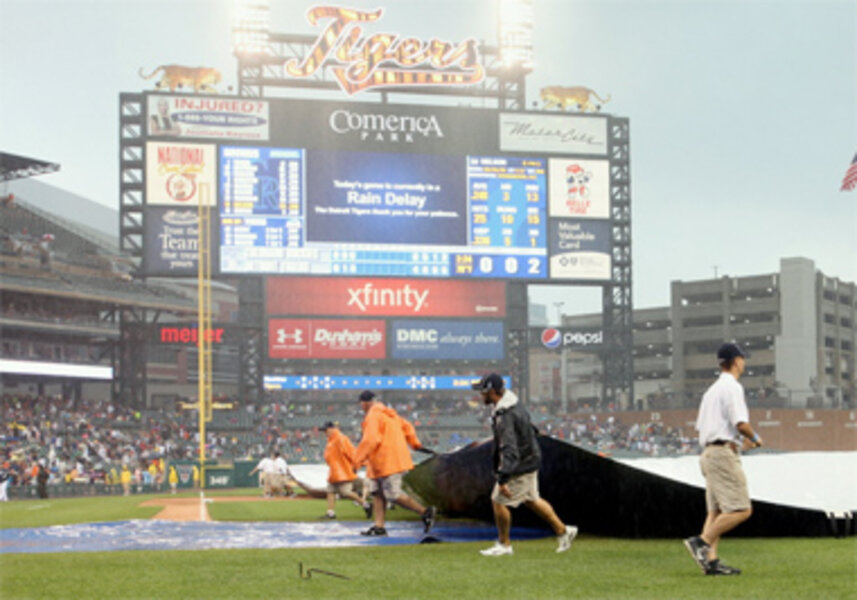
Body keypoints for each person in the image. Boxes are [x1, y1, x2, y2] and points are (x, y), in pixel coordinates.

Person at [473, 373, 577, 556]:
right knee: (532, 500)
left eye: (483, 391)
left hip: (521, 464)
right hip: (530, 459)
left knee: (498, 500)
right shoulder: (513, 405)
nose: (480, 395)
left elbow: (510, 449)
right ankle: (563, 531)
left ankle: (504, 545)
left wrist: (503, 478)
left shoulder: (505, 414)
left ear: (492, 392)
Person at [684, 342, 763, 576]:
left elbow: (708, 427)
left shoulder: (712, 391)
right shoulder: (732, 388)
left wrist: (738, 444)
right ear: (736, 361)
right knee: (741, 509)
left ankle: (710, 563)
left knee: (716, 512)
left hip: (709, 453)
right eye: (743, 359)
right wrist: (756, 438)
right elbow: (740, 423)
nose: (744, 363)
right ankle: (701, 542)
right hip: (721, 454)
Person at [353, 390, 436, 537]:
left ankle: (425, 512)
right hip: (382, 461)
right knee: (377, 493)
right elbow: (408, 427)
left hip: (386, 460)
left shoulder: (373, 415)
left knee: (393, 494)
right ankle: (379, 527)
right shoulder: (390, 414)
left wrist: (357, 461)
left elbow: (371, 440)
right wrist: (415, 444)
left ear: (364, 403)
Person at [321, 421, 372, 519]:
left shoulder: (341, 439)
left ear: (332, 429)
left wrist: (357, 465)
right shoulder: (331, 440)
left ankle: (366, 505)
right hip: (334, 472)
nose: (325, 432)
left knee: (346, 492)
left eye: (326, 430)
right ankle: (330, 513)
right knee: (330, 491)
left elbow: (351, 453)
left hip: (343, 471)